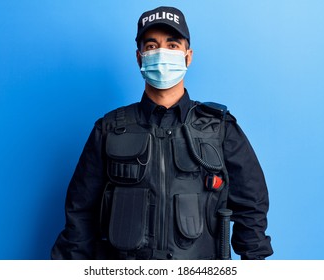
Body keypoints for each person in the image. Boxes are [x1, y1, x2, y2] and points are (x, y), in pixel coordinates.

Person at [51, 6, 273, 260]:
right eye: (151, 46)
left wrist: (253, 262)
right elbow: (80, 212)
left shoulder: (220, 128)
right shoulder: (109, 128)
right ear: (139, 57)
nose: (161, 54)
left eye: (172, 45)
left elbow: (252, 205)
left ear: (188, 56)